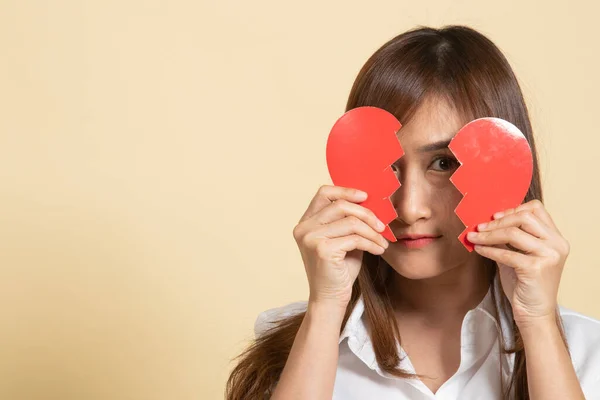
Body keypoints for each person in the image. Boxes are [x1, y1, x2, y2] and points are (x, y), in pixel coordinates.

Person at [225, 25, 600, 400]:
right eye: (387, 164)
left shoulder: (586, 352)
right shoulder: (297, 344)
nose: (409, 208)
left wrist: (537, 323)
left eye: (443, 163)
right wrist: (325, 309)